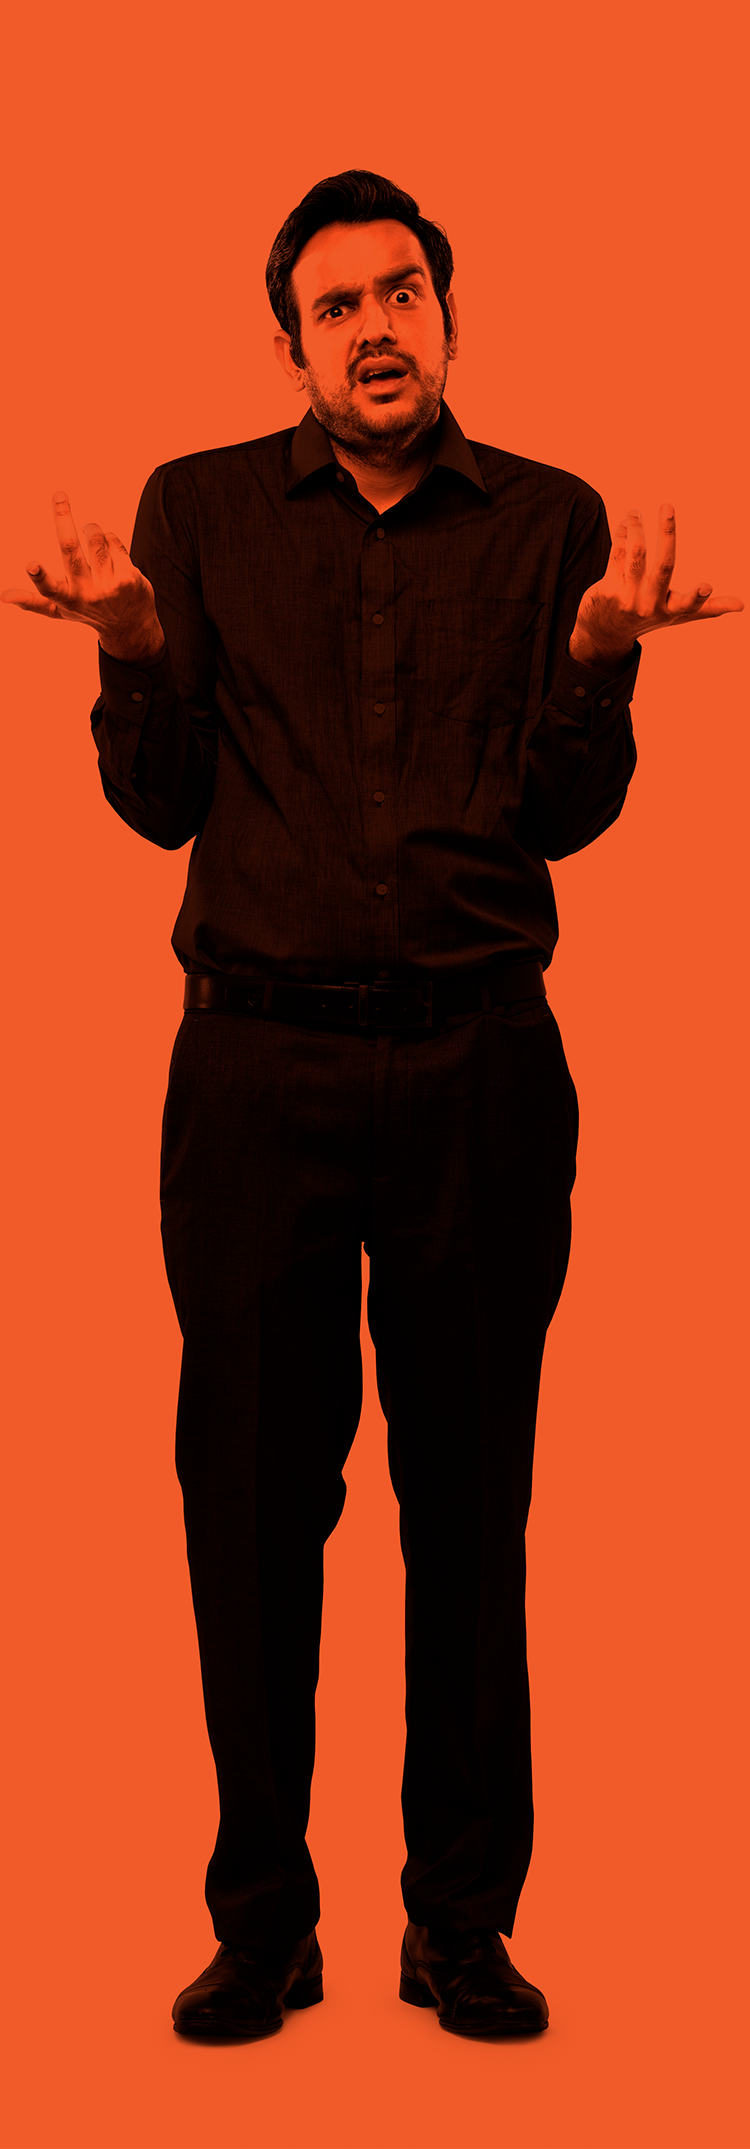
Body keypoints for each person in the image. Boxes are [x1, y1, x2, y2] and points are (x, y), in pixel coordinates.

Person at [2, 169, 742, 2046]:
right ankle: (264, 1923)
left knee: (469, 1503)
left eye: (401, 291)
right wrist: (129, 649)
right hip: (253, 1075)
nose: (374, 327)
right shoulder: (196, 513)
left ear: (447, 314)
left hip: (481, 1072)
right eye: (335, 306)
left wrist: (599, 663)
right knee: (251, 1505)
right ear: (293, 347)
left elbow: (564, 815)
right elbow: (159, 805)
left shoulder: (550, 524)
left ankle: (458, 1925)